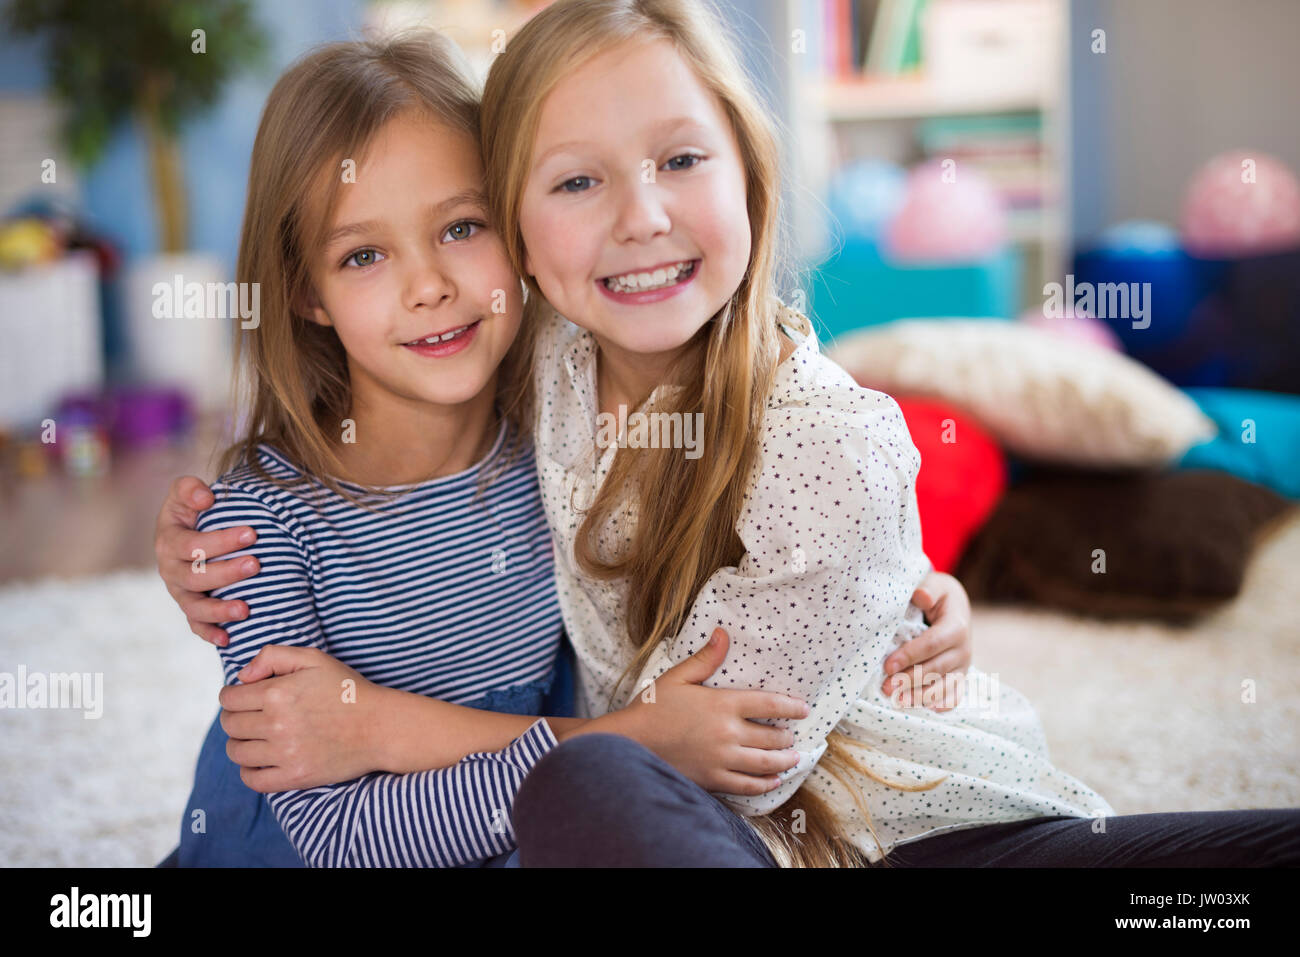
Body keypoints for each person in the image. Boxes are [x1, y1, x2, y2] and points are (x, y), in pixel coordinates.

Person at [468, 0, 1297, 867]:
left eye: (680, 159)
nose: (640, 217)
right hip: (715, 827)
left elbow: (731, 755)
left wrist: (392, 731)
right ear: (515, 238)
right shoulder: (552, 360)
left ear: (748, 177)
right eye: (575, 180)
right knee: (587, 781)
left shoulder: (825, 438)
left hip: (918, 825)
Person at [154, 28, 977, 868]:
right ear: (303, 290)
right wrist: (628, 739)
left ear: (515, 231)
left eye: (461, 227)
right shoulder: (257, 530)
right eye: (363, 254)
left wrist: (898, 586)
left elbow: (763, 500)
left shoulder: (543, 405)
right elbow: (344, 837)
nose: (429, 286)